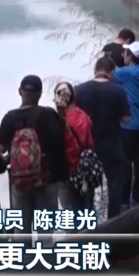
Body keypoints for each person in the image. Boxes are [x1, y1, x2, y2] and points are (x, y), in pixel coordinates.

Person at [0, 75, 68, 241]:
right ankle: (45, 257)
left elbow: (0, 149)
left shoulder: (9, 118)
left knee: (21, 232)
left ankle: (24, 257)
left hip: (19, 182)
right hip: (47, 179)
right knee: (46, 233)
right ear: (40, 94)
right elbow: (60, 142)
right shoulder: (48, 114)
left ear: (20, 92)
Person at [74, 57, 131, 220]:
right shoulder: (118, 90)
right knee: (114, 185)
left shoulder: (79, 90)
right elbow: (126, 118)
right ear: (111, 72)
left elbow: (73, 116)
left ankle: (88, 220)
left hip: (87, 147)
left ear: (95, 70)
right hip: (112, 145)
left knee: (87, 186)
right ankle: (113, 220)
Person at [113, 41, 139, 211]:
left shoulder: (125, 73)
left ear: (130, 56)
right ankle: (138, 197)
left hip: (127, 124)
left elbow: (108, 74)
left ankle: (124, 200)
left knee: (126, 162)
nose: (123, 55)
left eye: (125, 53)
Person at [53, 81, 96, 213]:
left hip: (66, 172)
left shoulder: (58, 121)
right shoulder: (84, 115)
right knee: (86, 207)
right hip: (84, 169)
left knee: (69, 211)